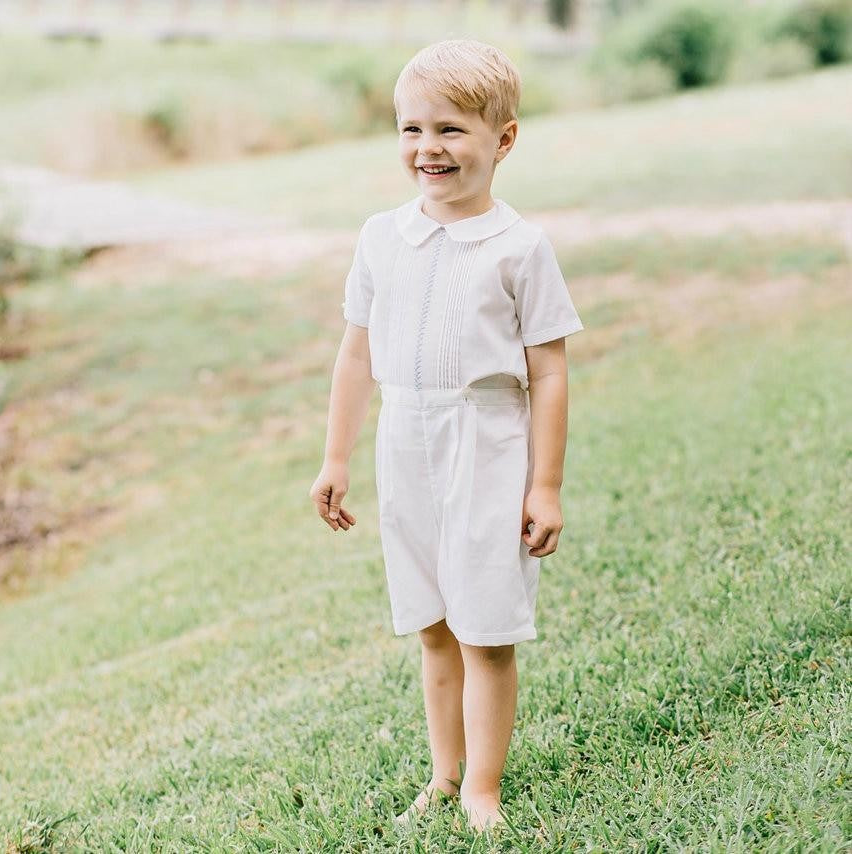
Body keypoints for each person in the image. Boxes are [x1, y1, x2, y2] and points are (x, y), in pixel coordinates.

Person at [309, 38, 583, 833]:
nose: (428, 148)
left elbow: (551, 374)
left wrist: (545, 485)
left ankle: (483, 790)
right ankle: (443, 773)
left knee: (485, 628)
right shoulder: (381, 237)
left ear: (503, 140)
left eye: (451, 130)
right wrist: (336, 456)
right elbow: (356, 353)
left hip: (486, 441)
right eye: (410, 129)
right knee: (431, 625)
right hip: (406, 439)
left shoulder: (521, 248)